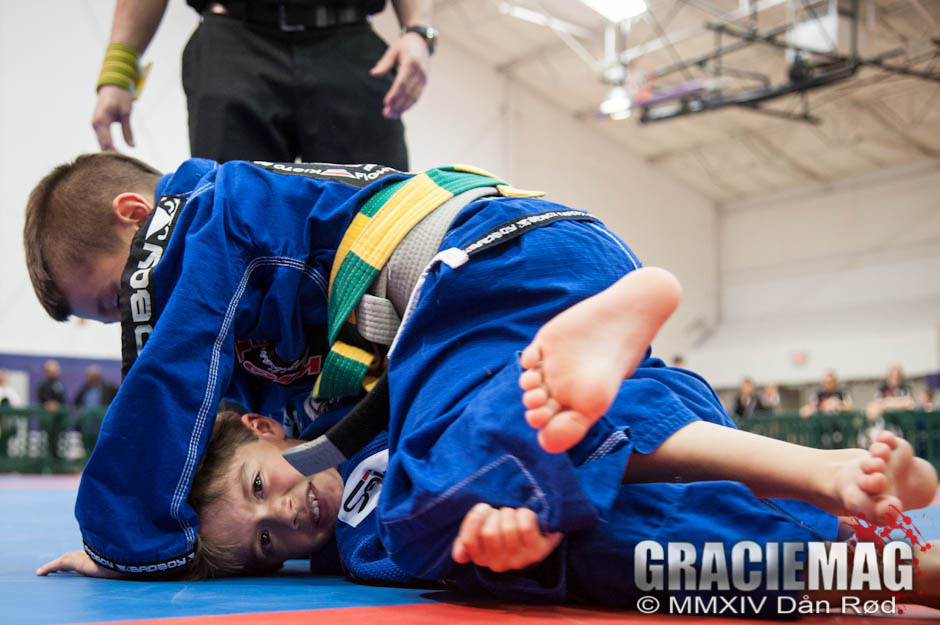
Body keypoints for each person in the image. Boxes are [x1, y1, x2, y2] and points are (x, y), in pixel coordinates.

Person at [92, 0, 434, 168]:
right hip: (234, 39)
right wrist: (118, 72)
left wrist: (419, 29)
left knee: (381, 213)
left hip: (350, 42)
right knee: (237, 222)